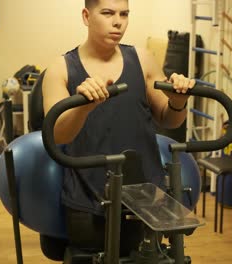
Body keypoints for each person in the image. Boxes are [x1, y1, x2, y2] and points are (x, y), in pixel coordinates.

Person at [41, 0, 196, 260]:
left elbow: (169, 119)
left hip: (146, 200)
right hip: (88, 200)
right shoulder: (61, 69)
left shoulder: (143, 59)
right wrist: (84, 107)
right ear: (86, 16)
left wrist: (179, 101)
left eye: (124, 14)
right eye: (108, 13)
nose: (118, 22)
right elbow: (57, 135)